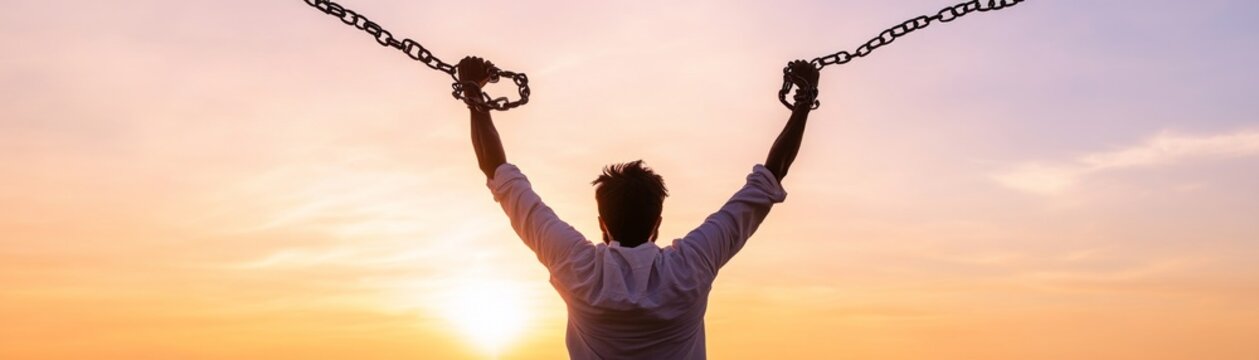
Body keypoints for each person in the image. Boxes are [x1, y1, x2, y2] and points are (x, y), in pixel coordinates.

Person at [459, 56, 818, 359]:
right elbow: (769, 178)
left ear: (603, 224)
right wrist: (804, 102)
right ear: (657, 223)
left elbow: (498, 172)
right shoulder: (691, 265)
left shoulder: (577, 267)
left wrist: (474, 90)